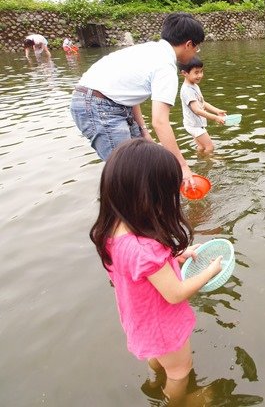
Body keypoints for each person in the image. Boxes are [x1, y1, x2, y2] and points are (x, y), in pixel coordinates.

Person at [90, 139, 223, 405]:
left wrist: (175, 255)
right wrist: (210, 271)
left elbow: (139, 270)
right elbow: (174, 294)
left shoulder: (112, 231)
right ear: (151, 195)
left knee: (160, 359)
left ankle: (155, 380)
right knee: (179, 371)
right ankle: (177, 402)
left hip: (140, 321)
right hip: (163, 325)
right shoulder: (144, 248)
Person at [70, 12, 203, 185]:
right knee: (128, 178)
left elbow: (131, 94)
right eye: (196, 48)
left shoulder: (149, 50)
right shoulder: (166, 66)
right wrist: (183, 167)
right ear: (188, 44)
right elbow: (160, 122)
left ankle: (151, 208)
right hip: (98, 106)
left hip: (105, 101)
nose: (195, 53)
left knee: (143, 166)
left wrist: (143, 132)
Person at [179, 57, 226, 153]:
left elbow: (203, 103)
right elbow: (196, 110)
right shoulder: (187, 90)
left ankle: (200, 164)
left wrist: (217, 111)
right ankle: (208, 166)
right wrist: (215, 118)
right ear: (184, 73)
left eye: (201, 71)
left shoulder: (194, 85)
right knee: (210, 147)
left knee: (201, 147)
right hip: (194, 125)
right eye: (196, 72)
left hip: (193, 124)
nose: (200, 75)